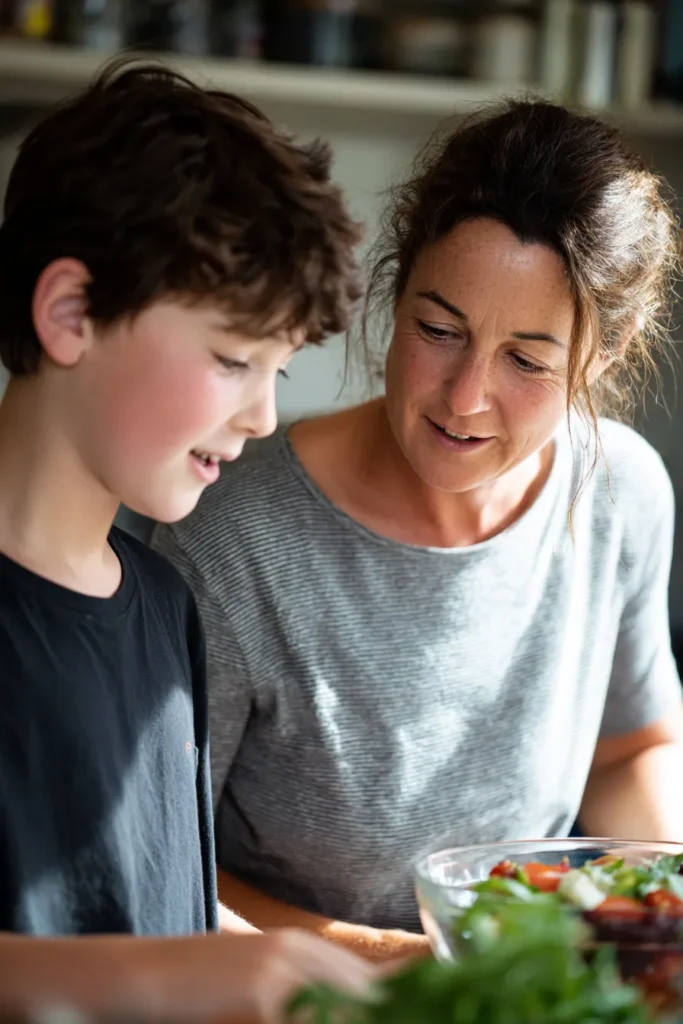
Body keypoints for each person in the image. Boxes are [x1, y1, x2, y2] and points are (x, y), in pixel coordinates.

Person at [153, 99, 683, 962]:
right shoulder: (232, 532)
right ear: (393, 297)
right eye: (439, 330)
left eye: (526, 361)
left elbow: (630, 750)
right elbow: (164, 862)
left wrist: (657, 918)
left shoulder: (620, 494)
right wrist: (411, 969)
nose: (464, 396)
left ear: (601, 360)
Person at [0, 56, 378, 1021]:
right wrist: (165, 980)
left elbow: (156, 913)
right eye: (231, 358)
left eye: (278, 372)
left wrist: (373, 986)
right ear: (71, 313)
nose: (260, 417)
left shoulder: (164, 606)